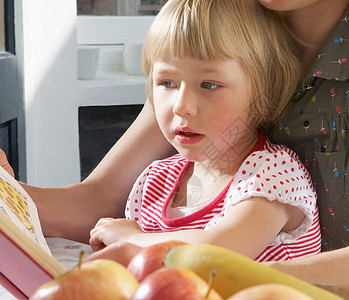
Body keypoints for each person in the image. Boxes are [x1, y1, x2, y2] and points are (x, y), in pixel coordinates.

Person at [1, 0, 349, 296]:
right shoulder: (220, 33)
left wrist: (184, 268)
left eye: (211, 85)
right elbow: (96, 201)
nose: (184, 102)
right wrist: (8, 192)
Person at [88, 0, 321, 262]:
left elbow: (218, 250)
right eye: (167, 82)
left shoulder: (273, 172)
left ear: (263, 95)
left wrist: (132, 239)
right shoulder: (153, 183)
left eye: (209, 84)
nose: (182, 106)